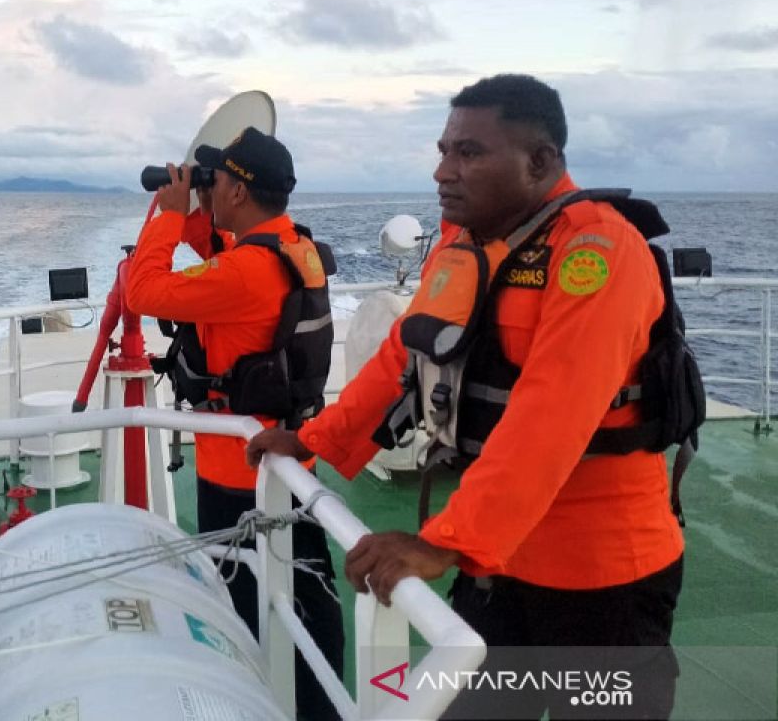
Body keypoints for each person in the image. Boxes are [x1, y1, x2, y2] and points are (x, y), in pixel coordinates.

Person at [247, 74, 684, 719]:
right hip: (500, 564)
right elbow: (403, 353)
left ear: (540, 161)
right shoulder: (460, 245)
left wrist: (445, 541)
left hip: (602, 577)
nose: (442, 171)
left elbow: (553, 412)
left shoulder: (597, 250)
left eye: (469, 153)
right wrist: (315, 439)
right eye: (444, 149)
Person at [126, 127, 345, 721]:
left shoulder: (245, 274)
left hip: (236, 471)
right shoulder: (291, 244)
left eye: (217, 178)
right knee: (302, 593)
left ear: (242, 191)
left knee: (244, 601)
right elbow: (221, 246)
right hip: (288, 458)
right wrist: (197, 203)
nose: (211, 187)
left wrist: (168, 217)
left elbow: (142, 290)